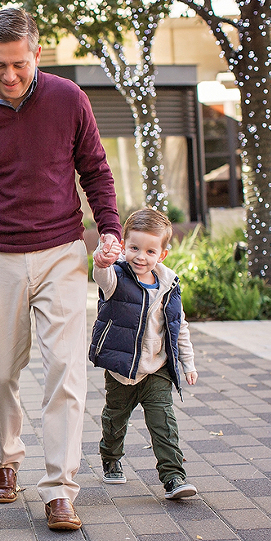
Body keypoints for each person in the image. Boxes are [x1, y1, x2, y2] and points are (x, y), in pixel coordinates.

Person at [0, 8, 122, 531]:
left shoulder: (69, 99)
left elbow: (96, 171)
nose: (9, 76)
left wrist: (110, 229)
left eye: (19, 64)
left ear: (37, 53)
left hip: (61, 252)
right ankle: (6, 459)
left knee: (66, 369)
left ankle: (60, 487)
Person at [89, 208, 199, 499]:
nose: (141, 256)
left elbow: (179, 325)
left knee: (164, 424)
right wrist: (102, 259)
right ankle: (110, 457)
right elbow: (101, 276)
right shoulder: (116, 277)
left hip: (156, 369)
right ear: (123, 245)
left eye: (150, 251)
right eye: (134, 248)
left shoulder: (169, 285)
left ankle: (174, 477)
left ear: (162, 255)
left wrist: (187, 363)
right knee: (115, 420)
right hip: (122, 370)